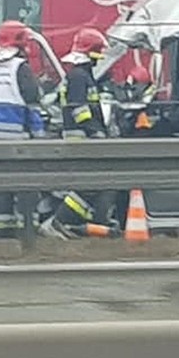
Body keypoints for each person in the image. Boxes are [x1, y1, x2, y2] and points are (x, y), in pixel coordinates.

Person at [50, 28, 118, 238]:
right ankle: (58, 222)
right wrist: (95, 131)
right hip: (81, 137)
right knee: (88, 186)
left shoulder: (79, 75)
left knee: (92, 184)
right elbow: (79, 108)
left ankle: (89, 222)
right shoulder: (79, 77)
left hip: (81, 135)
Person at [0, 20, 44, 238]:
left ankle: (2, 234)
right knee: (28, 187)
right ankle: (29, 232)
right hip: (19, 141)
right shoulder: (21, 68)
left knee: (2, 189)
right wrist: (39, 136)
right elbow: (32, 104)